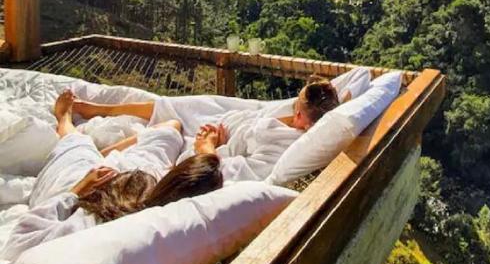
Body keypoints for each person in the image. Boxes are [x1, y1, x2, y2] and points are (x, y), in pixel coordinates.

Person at [1, 92, 223, 263]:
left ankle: (64, 118)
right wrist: (207, 151)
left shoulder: (91, 225)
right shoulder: (165, 200)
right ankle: (100, 153)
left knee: (77, 143)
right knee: (171, 127)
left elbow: (19, 242)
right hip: (135, 177)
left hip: (81, 186)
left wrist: (77, 189)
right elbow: (199, 180)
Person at [68, 79, 346, 183]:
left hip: (208, 144)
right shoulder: (295, 124)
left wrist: (210, 144)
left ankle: (91, 154)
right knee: (174, 106)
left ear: (301, 115)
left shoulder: (282, 147)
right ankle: (96, 109)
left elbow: (231, 171)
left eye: (296, 104)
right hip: (223, 124)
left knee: (171, 124)